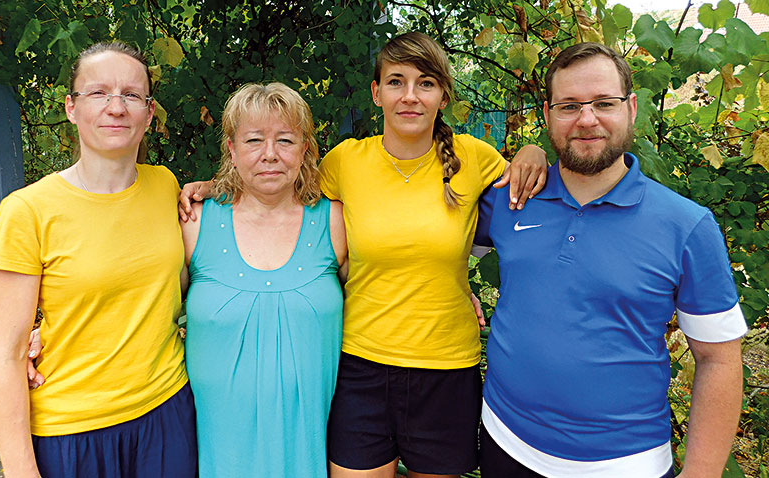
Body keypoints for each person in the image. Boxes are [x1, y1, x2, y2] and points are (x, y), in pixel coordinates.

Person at [178, 31, 548, 478]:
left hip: (446, 365)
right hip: (362, 365)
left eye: (426, 83)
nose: (410, 96)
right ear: (376, 92)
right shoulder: (345, 162)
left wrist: (534, 150)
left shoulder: (474, 157)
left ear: (444, 96)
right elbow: (276, 185)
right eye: (396, 81)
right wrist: (211, 188)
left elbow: (526, 184)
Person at [475, 42, 747, 478]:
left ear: (631, 108)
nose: (587, 119)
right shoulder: (510, 199)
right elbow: (432, 246)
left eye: (604, 103)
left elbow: (719, 360)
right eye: (569, 106)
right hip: (505, 444)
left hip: (624, 464)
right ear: (547, 115)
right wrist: (455, 286)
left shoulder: (687, 226)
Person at [0, 42, 196, 478]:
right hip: (73, 431)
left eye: (131, 95)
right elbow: (5, 358)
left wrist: (213, 186)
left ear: (149, 113)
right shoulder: (28, 210)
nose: (115, 107)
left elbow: (171, 285)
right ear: (71, 107)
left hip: (168, 412)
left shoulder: (165, 185)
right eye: (98, 93)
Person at [180, 82, 347, 477]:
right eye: (254, 140)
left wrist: (457, 292)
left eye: (285, 140)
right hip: (217, 452)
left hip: (309, 449)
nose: (270, 154)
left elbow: (383, 290)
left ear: (305, 148)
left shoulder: (335, 221)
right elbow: (144, 308)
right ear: (232, 149)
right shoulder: (194, 223)